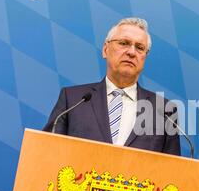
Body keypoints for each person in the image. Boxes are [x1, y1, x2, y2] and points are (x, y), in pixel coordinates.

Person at [43, 18, 180, 155]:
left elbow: (172, 171)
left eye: (139, 47)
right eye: (124, 43)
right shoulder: (73, 100)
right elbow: (47, 154)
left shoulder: (164, 110)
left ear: (145, 57)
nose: (132, 52)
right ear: (105, 50)